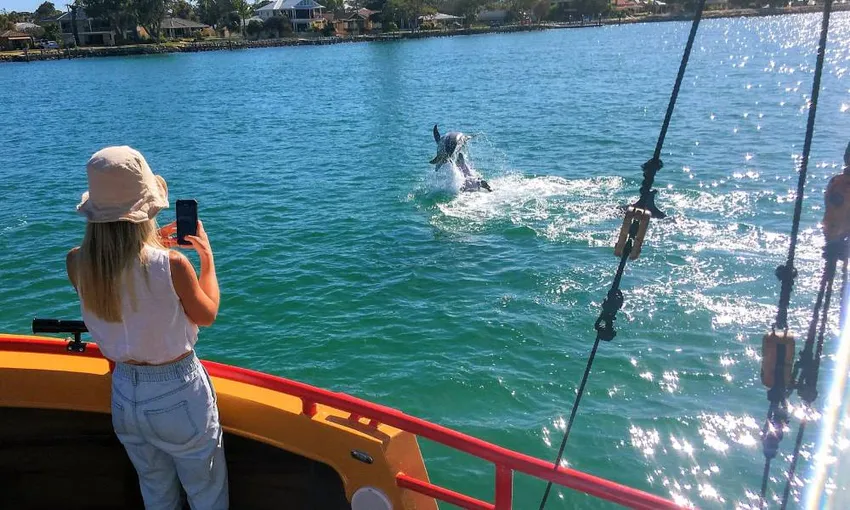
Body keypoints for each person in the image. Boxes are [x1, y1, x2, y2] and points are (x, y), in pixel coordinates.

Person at [65, 146, 228, 509]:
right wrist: (207, 259)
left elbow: (122, 279)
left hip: (124, 393)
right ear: (146, 209)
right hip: (178, 392)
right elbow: (207, 314)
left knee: (155, 492)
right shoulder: (172, 264)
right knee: (206, 493)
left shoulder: (77, 263)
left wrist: (153, 249)